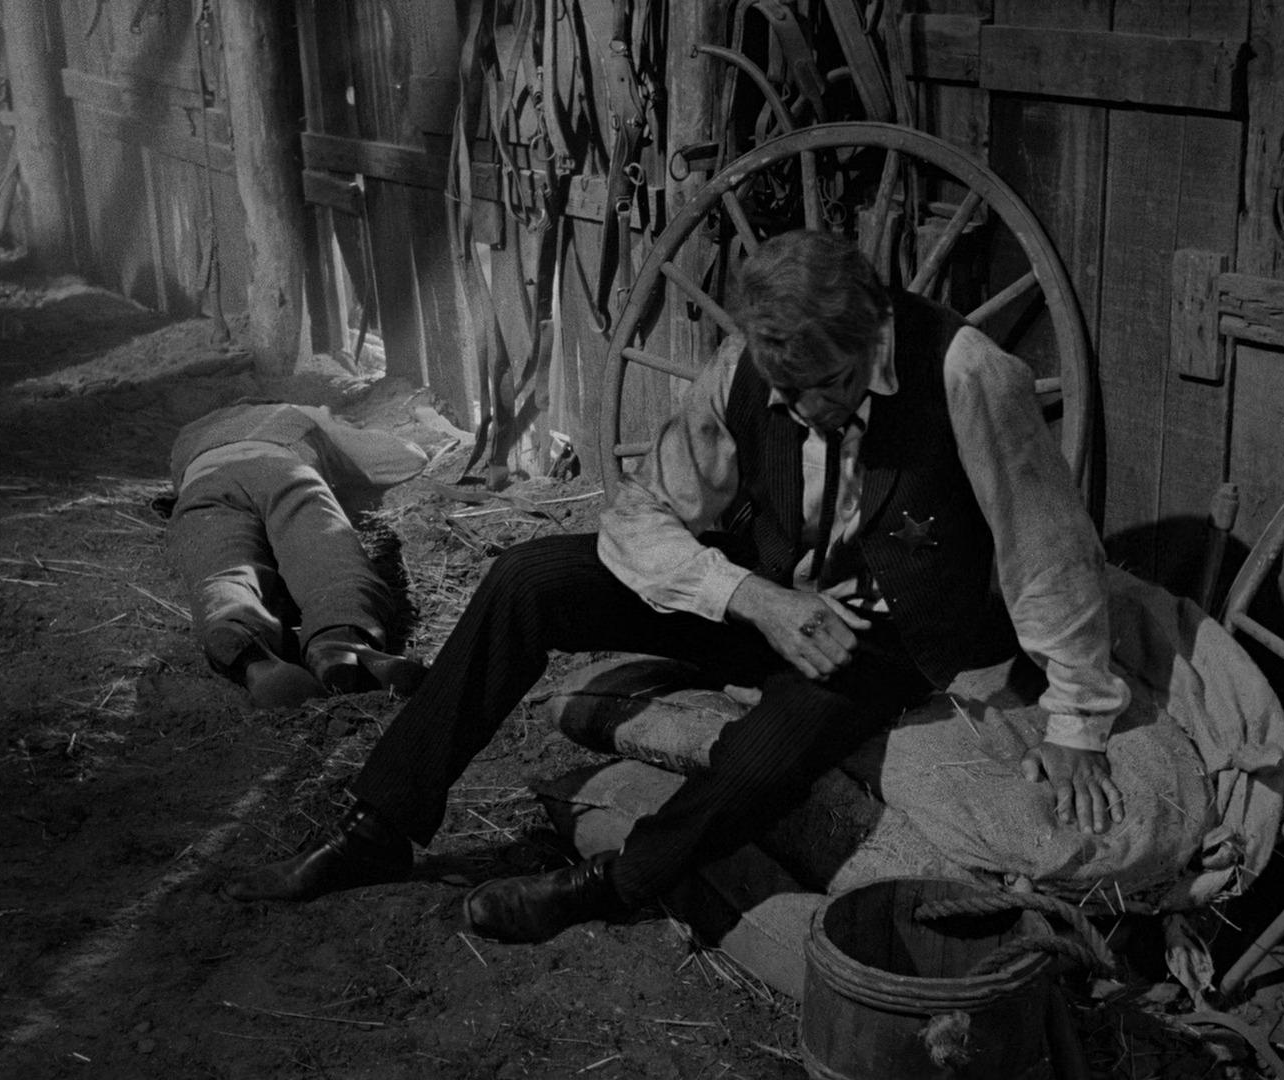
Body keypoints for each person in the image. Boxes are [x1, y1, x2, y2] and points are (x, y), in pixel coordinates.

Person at [223, 231, 1131, 945]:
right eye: (789, 395)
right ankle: (379, 827)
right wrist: (751, 598)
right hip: (767, 600)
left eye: (831, 388)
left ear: (873, 332)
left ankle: (610, 883)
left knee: (766, 752)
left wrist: (1078, 722)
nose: (810, 414)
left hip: (885, 637)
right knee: (528, 577)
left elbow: (1049, 553)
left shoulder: (966, 374)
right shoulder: (743, 369)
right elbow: (641, 515)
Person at [168, 401, 431, 709]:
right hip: (278, 466)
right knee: (326, 552)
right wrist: (333, 427)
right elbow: (400, 460)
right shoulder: (293, 412)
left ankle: (237, 632)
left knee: (223, 569)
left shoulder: (187, 436)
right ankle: (340, 639)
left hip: (201, 484)